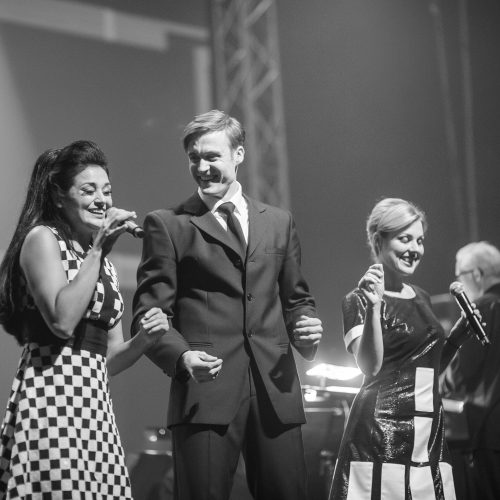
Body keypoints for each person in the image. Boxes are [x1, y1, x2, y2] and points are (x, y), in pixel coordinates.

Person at [131, 109, 323, 500]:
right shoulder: (169, 224)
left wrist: (306, 326)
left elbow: (297, 298)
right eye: (194, 158)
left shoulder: (278, 222)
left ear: (239, 154)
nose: (201, 167)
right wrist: (183, 358)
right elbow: (150, 313)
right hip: (206, 393)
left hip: (276, 390)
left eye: (212, 156)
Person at [0, 140, 169, 499]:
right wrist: (100, 247)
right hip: (51, 399)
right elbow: (62, 320)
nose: (102, 200)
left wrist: (143, 340)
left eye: (107, 191)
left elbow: (106, 359)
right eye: (88, 190)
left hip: (94, 407)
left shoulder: (101, 263)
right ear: (59, 196)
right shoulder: (42, 240)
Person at [328, 198, 473, 500]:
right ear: (379, 241)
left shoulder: (420, 296)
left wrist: (456, 338)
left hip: (427, 425)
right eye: (404, 239)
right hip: (382, 427)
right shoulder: (357, 300)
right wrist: (374, 306)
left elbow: (426, 369)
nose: (415, 249)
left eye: (419, 240)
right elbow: (370, 367)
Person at [440, 241, 500, 500]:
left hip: (491, 432)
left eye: (460, 276)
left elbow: (457, 373)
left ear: (476, 274)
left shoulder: (483, 308)